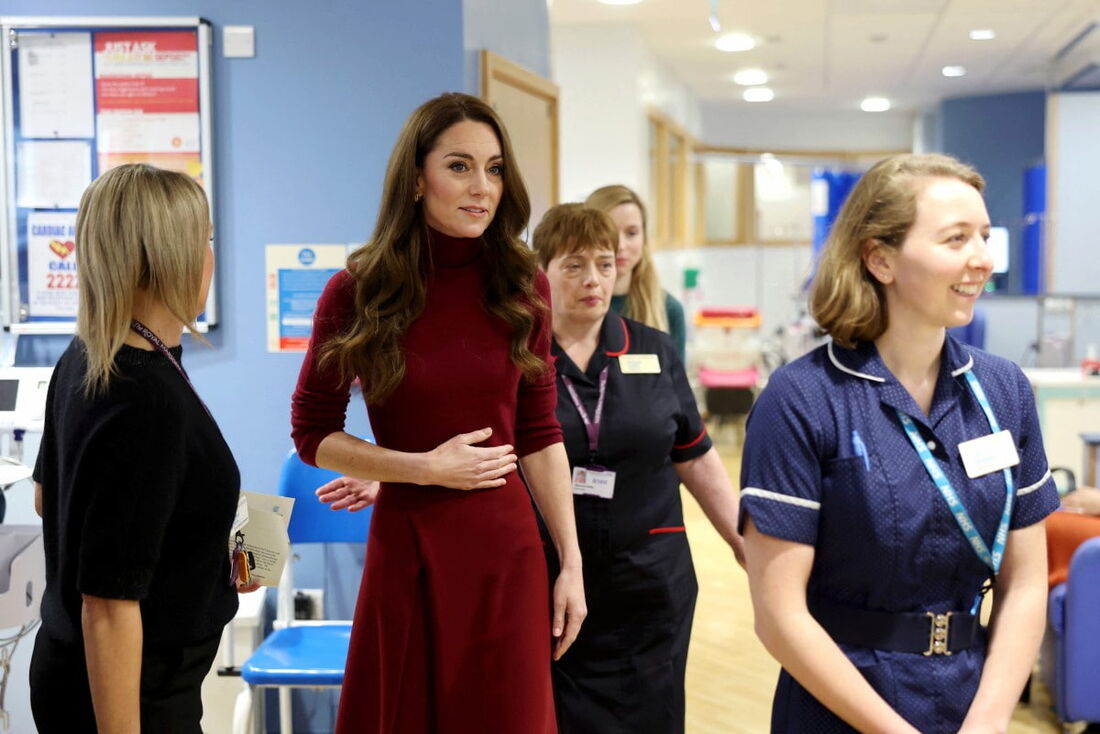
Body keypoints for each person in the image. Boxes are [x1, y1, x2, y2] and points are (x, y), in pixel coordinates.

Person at [290, 92, 585, 733]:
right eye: (459, 166)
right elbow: (313, 432)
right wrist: (420, 468)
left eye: (495, 168)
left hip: (507, 555)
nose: (482, 187)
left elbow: (538, 431)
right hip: (411, 549)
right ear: (417, 179)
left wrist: (571, 561)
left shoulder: (524, 284)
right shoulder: (360, 289)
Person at [739, 153, 1059, 734]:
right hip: (840, 706)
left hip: (969, 699)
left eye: (984, 236)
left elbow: (1027, 582)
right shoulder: (803, 398)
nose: (983, 259)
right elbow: (778, 616)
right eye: (956, 238)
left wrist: (987, 721)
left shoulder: (1004, 391)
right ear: (880, 258)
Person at [30, 163, 253, 733]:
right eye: (204, 241)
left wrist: (202, 558)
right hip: (129, 692)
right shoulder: (143, 397)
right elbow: (108, 604)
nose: (211, 257)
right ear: (170, 257)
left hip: (80, 670)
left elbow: (50, 501)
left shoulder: (88, 356)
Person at [531, 203, 744, 734]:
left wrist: (749, 544)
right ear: (542, 271)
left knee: (655, 716)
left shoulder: (653, 349)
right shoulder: (520, 358)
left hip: (651, 580)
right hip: (552, 582)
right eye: (574, 265)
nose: (593, 280)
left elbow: (694, 454)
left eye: (605, 265)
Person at [585, 185, 687, 361]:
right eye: (610, 233)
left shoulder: (669, 310)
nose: (621, 245)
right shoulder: (571, 307)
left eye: (631, 233)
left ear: (644, 239)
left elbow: (676, 386)